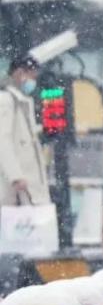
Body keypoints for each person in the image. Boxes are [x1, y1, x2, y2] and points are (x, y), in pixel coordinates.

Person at [0, 54, 50, 208]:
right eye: (32, 76)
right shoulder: (6, 101)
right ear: (20, 73)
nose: (33, 82)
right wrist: (15, 176)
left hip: (25, 187)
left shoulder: (21, 102)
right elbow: (3, 140)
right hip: (14, 187)